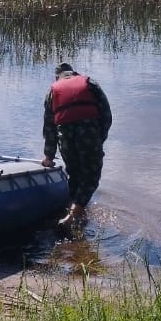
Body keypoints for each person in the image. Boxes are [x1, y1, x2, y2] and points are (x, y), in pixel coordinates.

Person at [41, 62, 112, 232]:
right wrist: (98, 139)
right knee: (90, 175)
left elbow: (49, 126)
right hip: (89, 131)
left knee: (74, 174)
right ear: (74, 73)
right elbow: (106, 115)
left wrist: (49, 156)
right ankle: (74, 214)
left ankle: (74, 218)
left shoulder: (52, 91)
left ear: (57, 77)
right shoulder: (90, 83)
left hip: (64, 134)